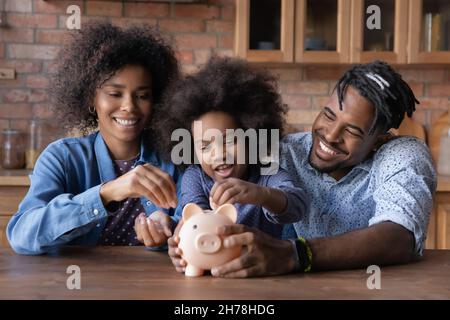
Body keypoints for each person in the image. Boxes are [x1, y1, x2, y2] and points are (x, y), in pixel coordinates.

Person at [168, 60, 437, 277]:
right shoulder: (284, 152)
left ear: (380, 137)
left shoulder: (402, 154)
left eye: (353, 130)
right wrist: (184, 235)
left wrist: (295, 254)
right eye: (329, 115)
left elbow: (399, 237)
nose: (330, 135)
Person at [7, 22, 182, 255]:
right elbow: (22, 235)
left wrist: (171, 231)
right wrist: (107, 193)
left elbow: (201, 222)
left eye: (142, 95)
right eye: (114, 94)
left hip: (157, 288)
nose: (129, 106)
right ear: (91, 98)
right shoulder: (62, 157)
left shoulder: (175, 157)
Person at [153, 57, 308, 241]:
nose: (219, 154)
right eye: (205, 146)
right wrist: (180, 240)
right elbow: (193, 217)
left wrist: (261, 195)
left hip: (263, 266)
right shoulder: (195, 177)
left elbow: (298, 206)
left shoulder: (267, 174)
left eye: (229, 140)